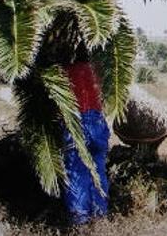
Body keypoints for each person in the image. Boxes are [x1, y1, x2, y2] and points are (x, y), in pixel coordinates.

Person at [62, 61, 109, 225]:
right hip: (97, 121)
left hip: (76, 122)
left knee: (77, 171)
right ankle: (100, 215)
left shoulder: (64, 71)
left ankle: (80, 220)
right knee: (98, 170)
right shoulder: (95, 68)